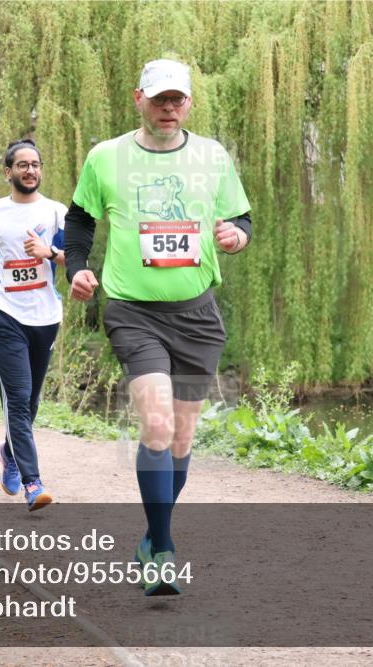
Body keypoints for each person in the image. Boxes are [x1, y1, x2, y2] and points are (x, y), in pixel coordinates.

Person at [64, 59, 252, 595]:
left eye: (178, 100)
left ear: (189, 103)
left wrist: (236, 237)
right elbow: (79, 219)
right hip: (133, 311)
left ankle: (152, 535)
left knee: (182, 440)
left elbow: (242, 219)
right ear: (138, 99)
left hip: (197, 317)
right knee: (158, 427)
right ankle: (163, 555)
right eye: (159, 99)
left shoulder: (213, 156)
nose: (169, 108)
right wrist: (77, 267)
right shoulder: (106, 157)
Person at [0, 139, 66, 511]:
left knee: (32, 401)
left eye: (36, 164)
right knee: (19, 401)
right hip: (6, 313)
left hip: (46, 316)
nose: (30, 170)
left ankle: (8, 452)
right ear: (8, 172)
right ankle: (33, 483)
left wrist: (50, 253)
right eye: (22, 165)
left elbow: (77, 255)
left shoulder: (57, 212)